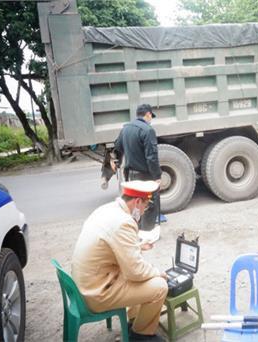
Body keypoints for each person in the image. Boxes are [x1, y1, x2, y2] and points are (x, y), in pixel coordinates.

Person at [71, 180, 168, 342]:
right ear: (137, 202)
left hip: (85, 284)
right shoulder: (124, 222)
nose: (144, 211)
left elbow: (111, 246)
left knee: (136, 276)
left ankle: (134, 320)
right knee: (159, 286)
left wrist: (137, 246)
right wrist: (158, 273)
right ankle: (141, 335)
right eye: (146, 206)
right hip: (97, 293)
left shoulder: (107, 209)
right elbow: (135, 272)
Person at [113, 104, 162, 232]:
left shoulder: (126, 128)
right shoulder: (148, 130)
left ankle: (136, 230)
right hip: (145, 175)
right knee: (151, 205)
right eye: (151, 116)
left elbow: (117, 148)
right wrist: (157, 176)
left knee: (136, 204)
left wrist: (118, 162)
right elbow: (152, 157)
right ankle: (147, 233)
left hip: (131, 175)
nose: (151, 119)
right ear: (148, 114)